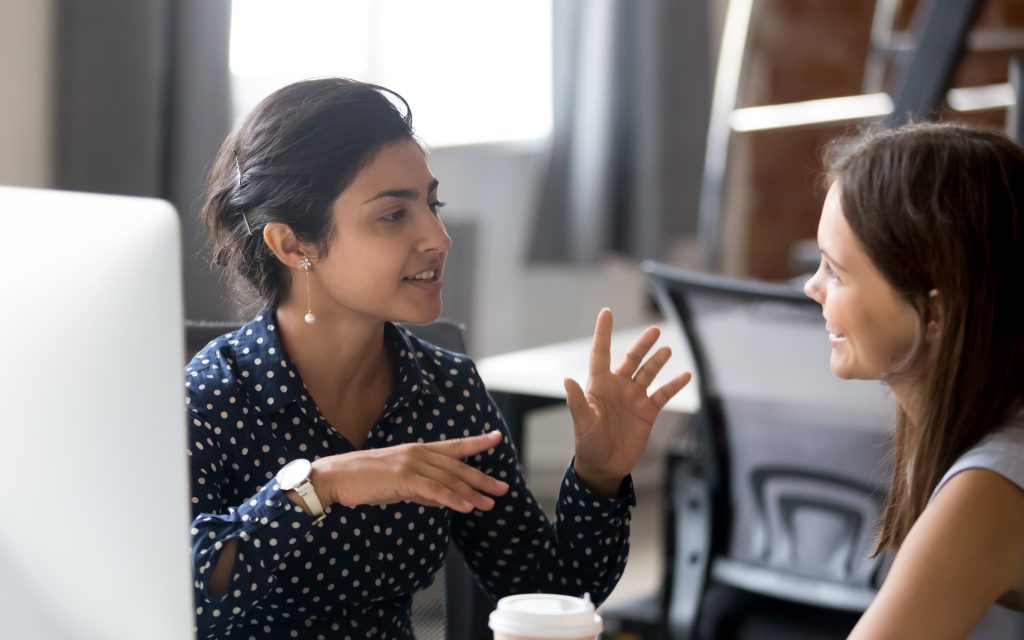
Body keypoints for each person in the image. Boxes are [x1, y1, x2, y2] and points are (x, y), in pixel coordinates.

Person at [185, 77, 691, 639]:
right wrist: (318, 486)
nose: (439, 236)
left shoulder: (445, 391)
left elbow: (547, 592)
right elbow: (183, 596)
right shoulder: (213, 396)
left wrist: (599, 474)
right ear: (293, 245)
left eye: (432, 204)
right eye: (393, 215)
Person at [803, 122, 1024, 639]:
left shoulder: (988, 487)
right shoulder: (971, 426)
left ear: (935, 314)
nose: (813, 287)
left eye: (836, 271)